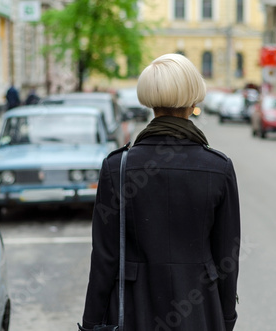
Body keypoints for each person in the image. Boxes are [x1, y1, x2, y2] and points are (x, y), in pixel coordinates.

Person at [80, 53, 241, 331]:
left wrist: (91, 322)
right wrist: (226, 318)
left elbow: (104, 259)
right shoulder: (218, 168)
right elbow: (227, 258)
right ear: (193, 103)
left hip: (133, 313)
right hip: (200, 312)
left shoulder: (117, 166)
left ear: (150, 101)